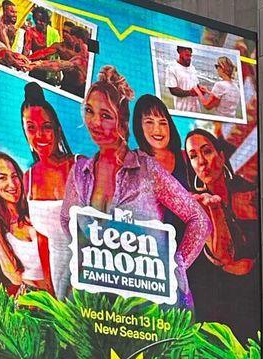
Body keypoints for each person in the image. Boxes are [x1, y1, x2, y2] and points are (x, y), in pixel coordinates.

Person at [60, 66, 209, 307]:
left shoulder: (147, 169)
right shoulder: (80, 172)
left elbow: (199, 220)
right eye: (89, 111)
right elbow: (67, 219)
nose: (95, 122)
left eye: (106, 115)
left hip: (151, 313)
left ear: (122, 121)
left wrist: (175, 265)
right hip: (99, 310)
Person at [184, 128, 259, 332]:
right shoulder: (199, 203)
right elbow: (223, 256)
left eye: (206, 151)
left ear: (221, 155)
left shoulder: (249, 192)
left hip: (255, 292)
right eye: (193, 156)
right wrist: (215, 208)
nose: (201, 161)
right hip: (223, 298)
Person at [0, 149, 54, 295]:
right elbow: (15, 277)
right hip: (32, 302)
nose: (12, 184)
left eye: (14, 176)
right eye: (2, 178)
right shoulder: (1, 227)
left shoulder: (36, 209)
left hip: (63, 297)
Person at [20, 82, 75, 297]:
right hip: (57, 277)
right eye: (31, 128)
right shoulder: (28, 179)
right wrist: (51, 287)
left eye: (46, 127)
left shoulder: (79, 166)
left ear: (57, 130)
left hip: (90, 272)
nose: (40, 136)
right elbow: (42, 238)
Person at [131, 94, 188, 186]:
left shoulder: (186, 157)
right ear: (139, 126)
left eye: (162, 123)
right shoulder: (132, 161)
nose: (157, 130)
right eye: (149, 122)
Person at [164, 43, 204, 112]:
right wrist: (190, 93)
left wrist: (201, 90)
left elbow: (196, 85)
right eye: (187, 55)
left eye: (190, 56)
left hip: (196, 109)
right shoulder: (172, 68)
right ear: (180, 53)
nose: (189, 58)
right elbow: (173, 90)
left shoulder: (192, 67)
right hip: (183, 110)